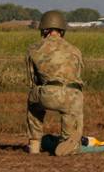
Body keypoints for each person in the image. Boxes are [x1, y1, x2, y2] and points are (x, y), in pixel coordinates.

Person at [26, 10, 85, 155]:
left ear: (44, 30)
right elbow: (77, 76)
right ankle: (68, 141)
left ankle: (34, 143)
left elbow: (32, 80)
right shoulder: (75, 50)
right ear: (62, 30)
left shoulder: (34, 49)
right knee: (72, 110)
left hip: (49, 93)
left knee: (33, 103)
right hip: (73, 96)